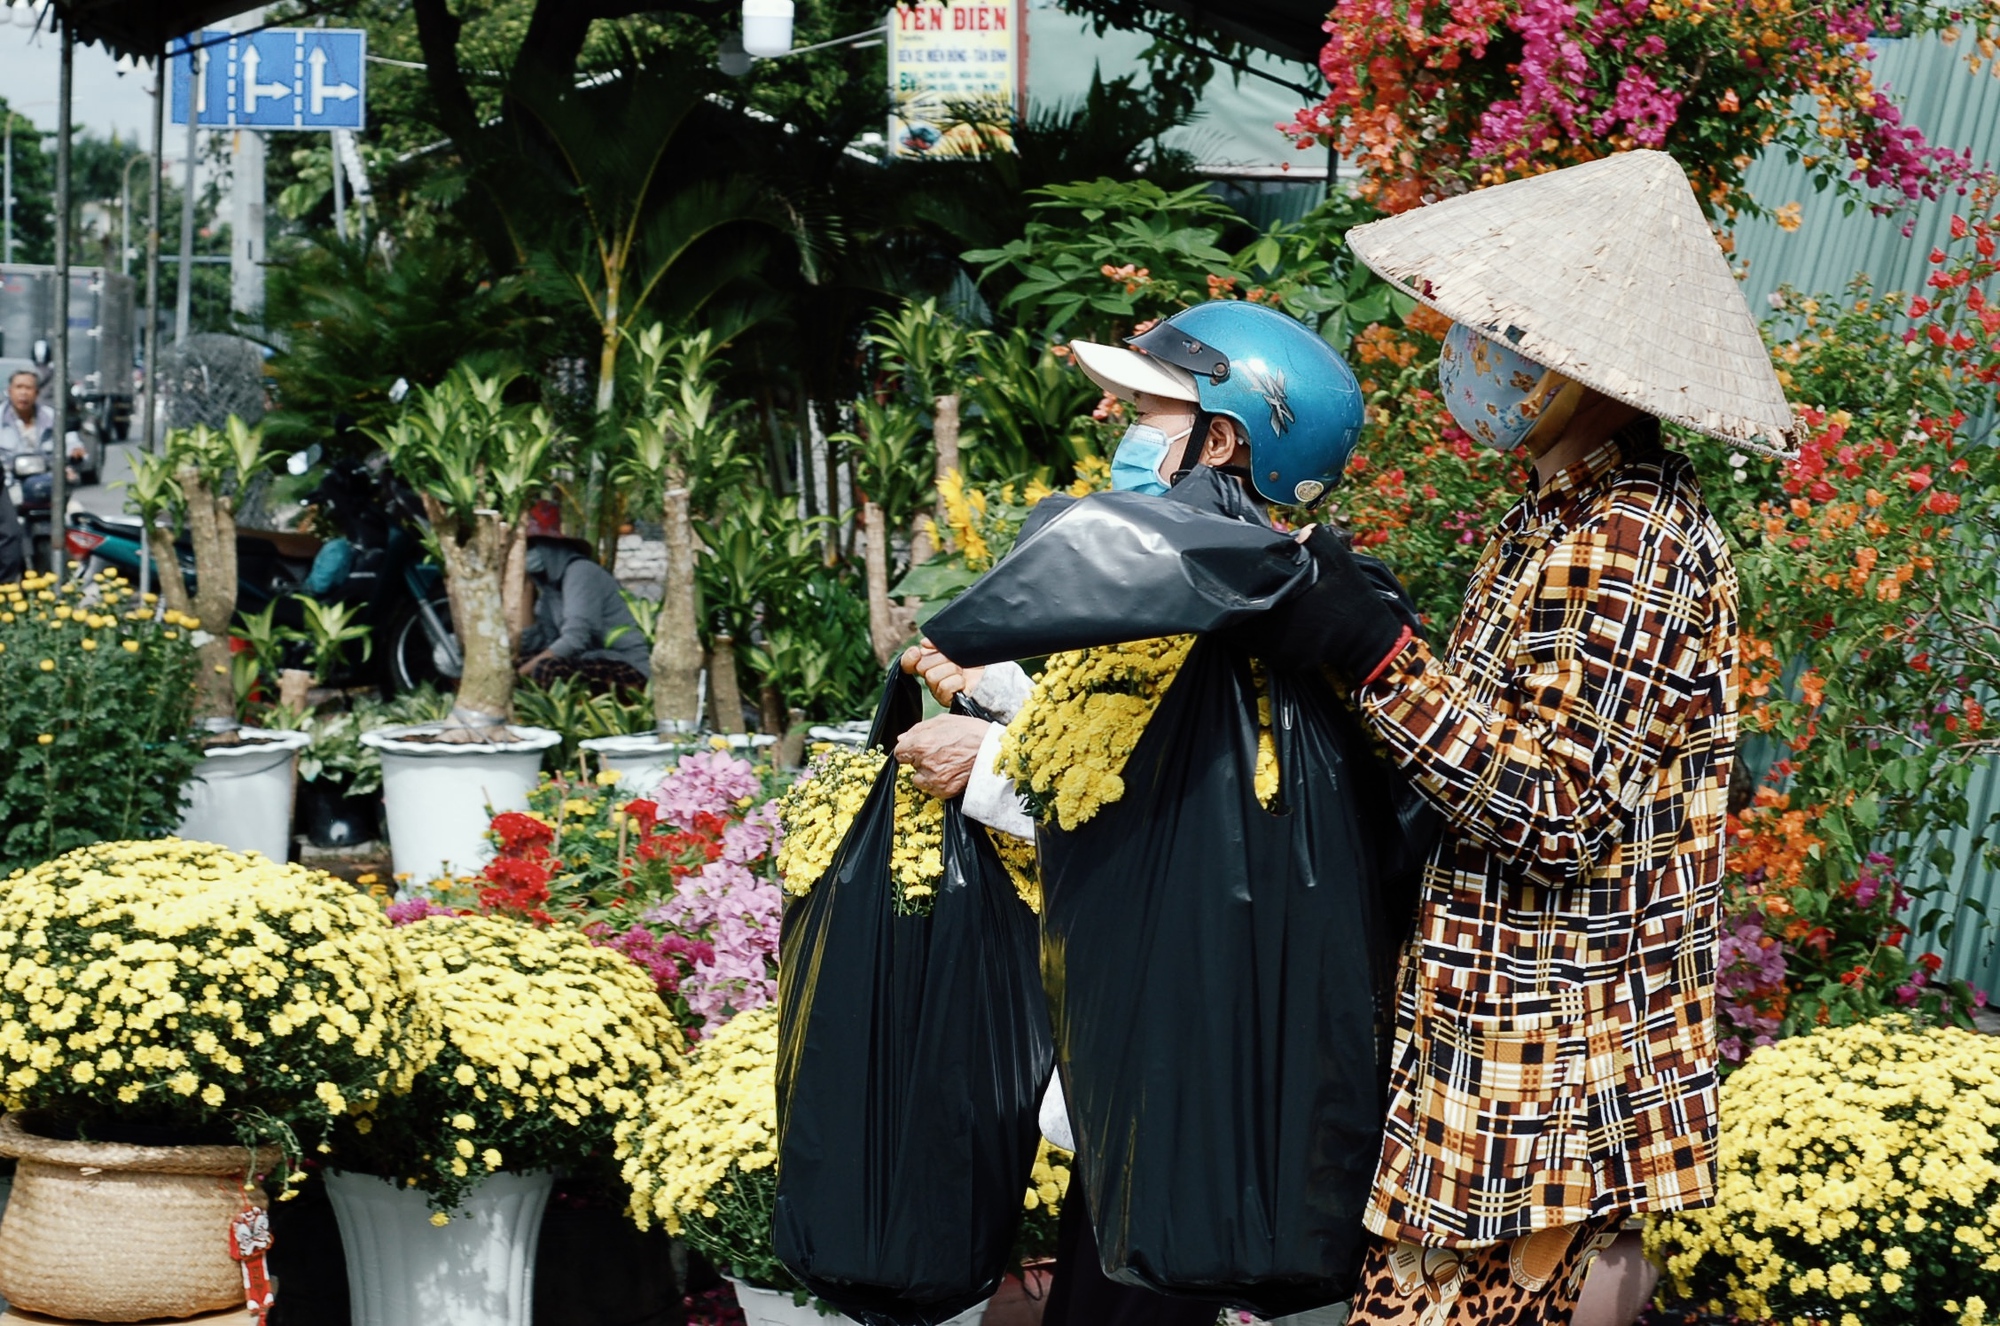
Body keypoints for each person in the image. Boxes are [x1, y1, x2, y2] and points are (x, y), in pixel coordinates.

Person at [1236, 150, 1787, 1325]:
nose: (1471, 350)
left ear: (1587, 368)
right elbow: (1491, 739)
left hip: (1548, 1088)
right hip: (1496, 1058)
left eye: (1503, 329)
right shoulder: (1553, 517)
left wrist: (1377, 657)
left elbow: (1552, 809)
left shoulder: (1628, 537)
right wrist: (1383, 648)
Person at [896, 300, 1373, 1326]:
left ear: (1226, 437)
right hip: (1139, 1075)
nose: (1122, 424)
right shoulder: (1205, 589)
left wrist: (988, 764)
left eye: (1150, 409)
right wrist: (997, 698)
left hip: (1187, 1094)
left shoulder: (1244, 615)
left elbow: (1165, 816)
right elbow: (1111, 743)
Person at [514, 500, 651, 693]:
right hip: (588, 662)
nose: (524, 555)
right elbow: (539, 643)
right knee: (512, 663)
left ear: (550, 547)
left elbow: (576, 639)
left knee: (547, 669)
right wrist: (525, 584)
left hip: (625, 665)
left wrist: (520, 675)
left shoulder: (581, 572)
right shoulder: (551, 588)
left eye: (530, 546)